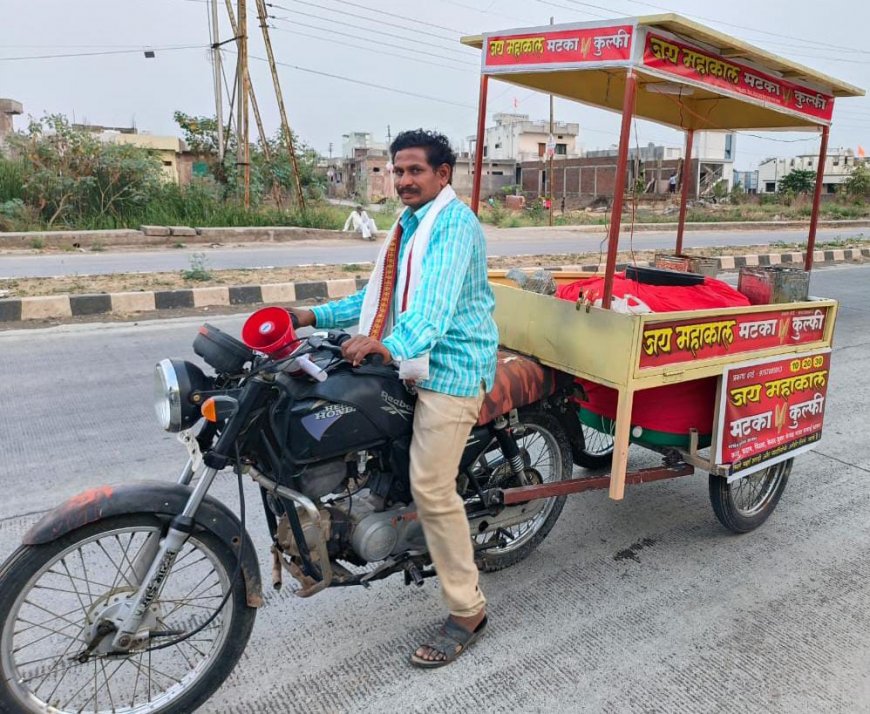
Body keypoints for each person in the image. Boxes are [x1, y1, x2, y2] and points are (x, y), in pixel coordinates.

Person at [290, 129, 498, 668]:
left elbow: (431, 309)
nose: (404, 181)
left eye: (415, 171)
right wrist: (312, 316)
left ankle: (467, 610)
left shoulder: (452, 225)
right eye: (397, 171)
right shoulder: (408, 225)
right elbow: (376, 297)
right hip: (409, 363)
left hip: (450, 369)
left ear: (442, 174)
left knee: (431, 485)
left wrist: (390, 346)